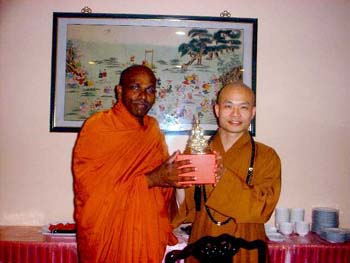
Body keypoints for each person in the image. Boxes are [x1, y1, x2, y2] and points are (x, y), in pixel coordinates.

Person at [72, 65, 197, 263]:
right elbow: (91, 192)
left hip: (147, 230)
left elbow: (163, 185)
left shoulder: (153, 129)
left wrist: (175, 176)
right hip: (109, 235)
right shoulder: (97, 127)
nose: (143, 96)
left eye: (150, 90)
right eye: (135, 88)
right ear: (120, 90)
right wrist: (152, 178)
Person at [173, 82, 281, 263]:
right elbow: (189, 210)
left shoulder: (267, 156)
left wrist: (223, 178)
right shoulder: (196, 154)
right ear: (217, 110)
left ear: (253, 113)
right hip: (202, 245)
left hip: (246, 247)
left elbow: (264, 209)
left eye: (243, 107)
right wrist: (178, 184)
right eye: (228, 106)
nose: (235, 114)